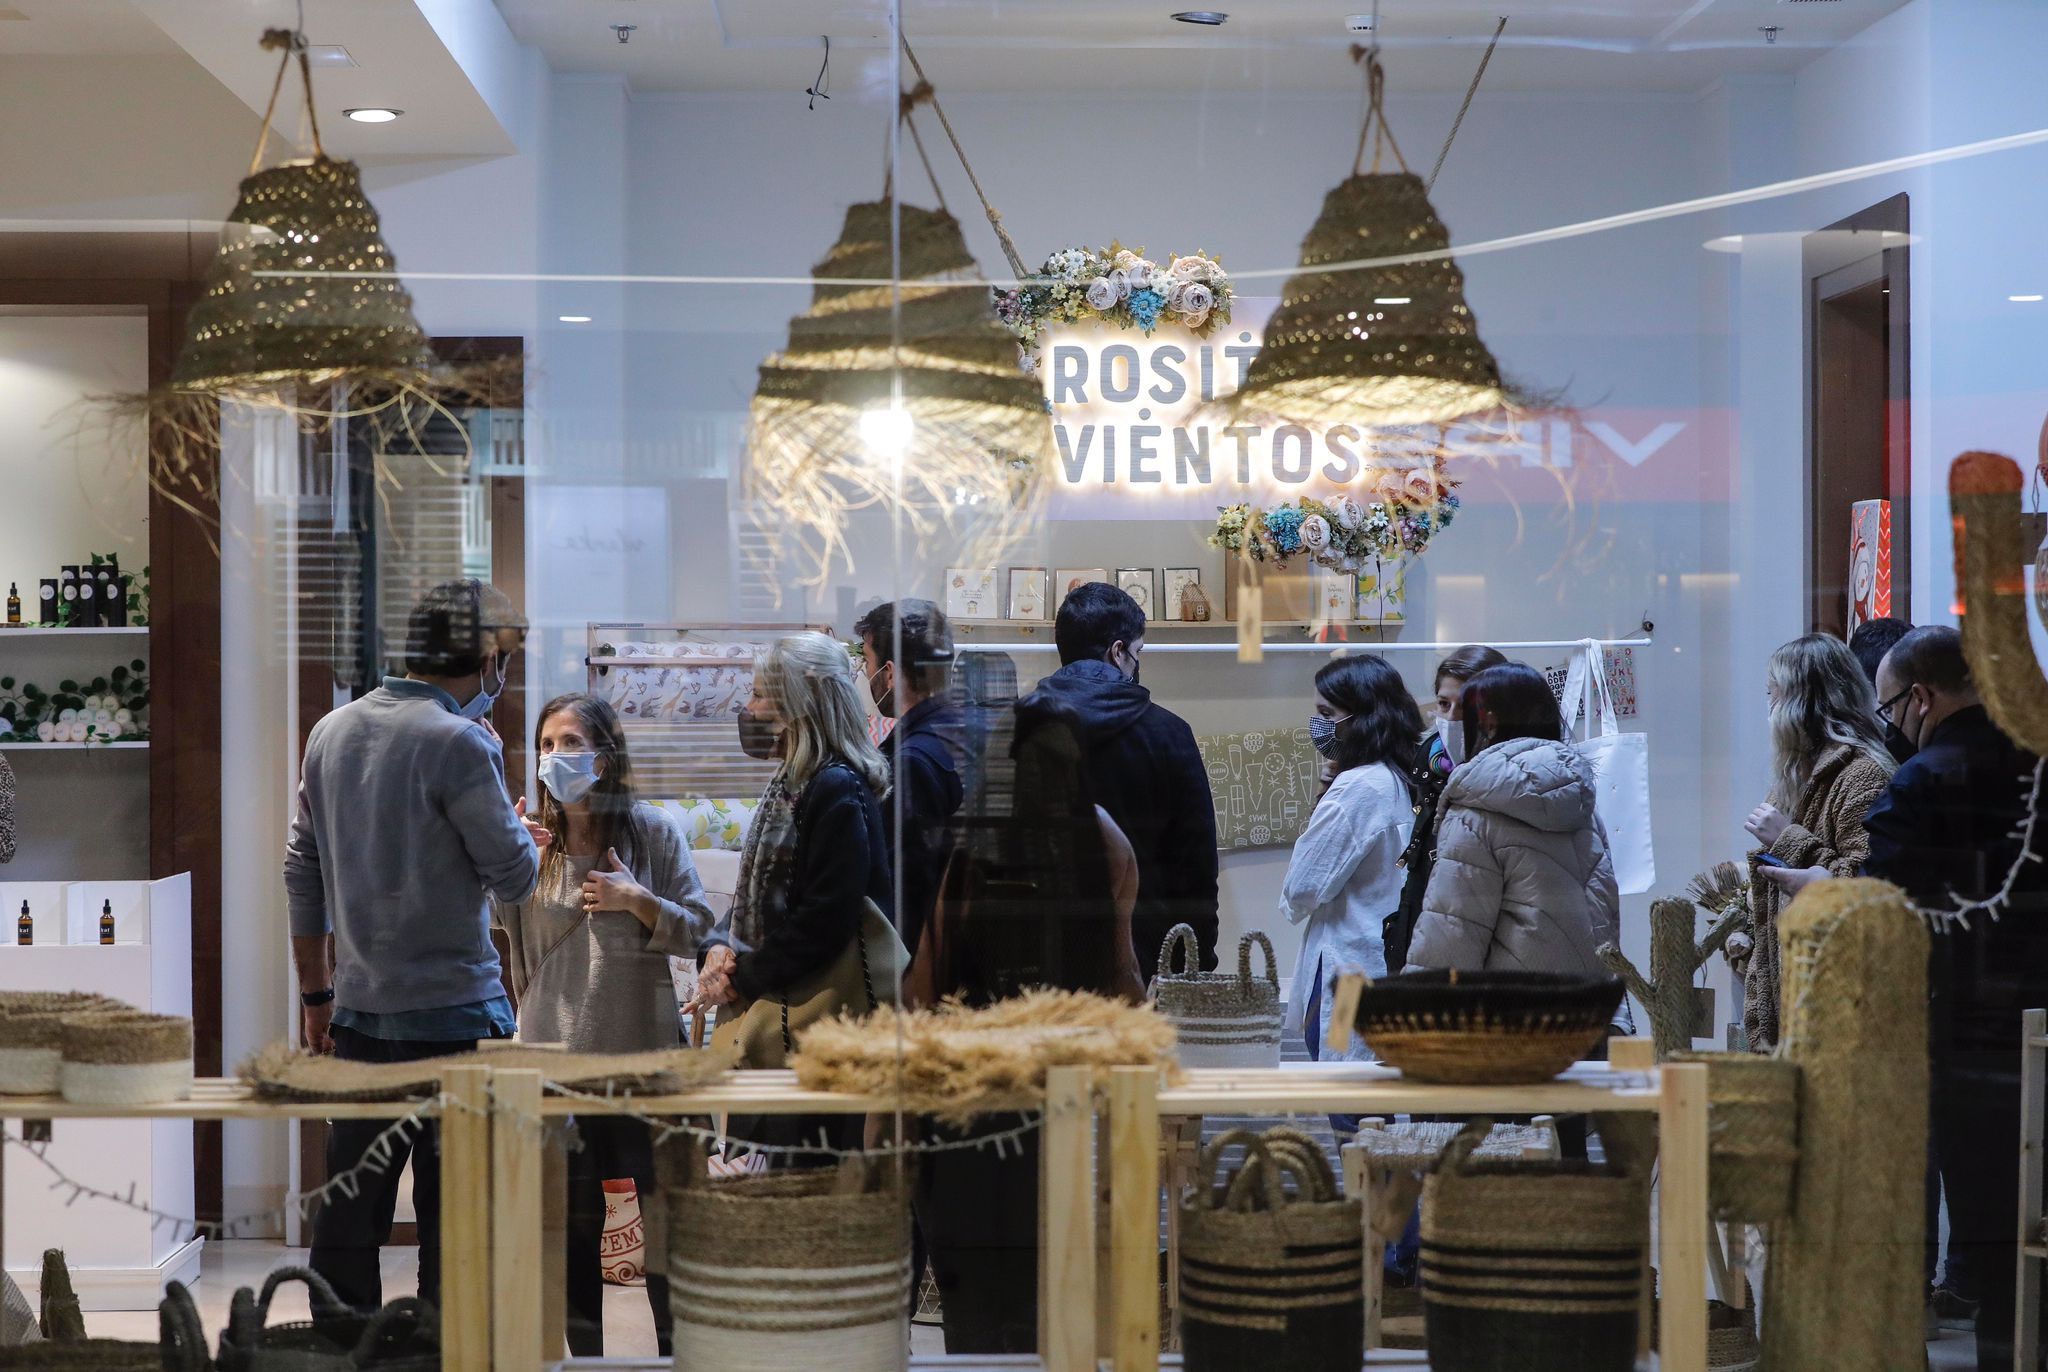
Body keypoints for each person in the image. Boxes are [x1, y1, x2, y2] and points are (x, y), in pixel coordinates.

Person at [1767, 625, 2047, 1369]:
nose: (1889, 726)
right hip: (2038, 1017)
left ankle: (2002, 1355)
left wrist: (1817, 888)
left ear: (1921, 696)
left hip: (1963, 1031)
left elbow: (1881, 913)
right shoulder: (2037, 765)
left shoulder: (1919, 783)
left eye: (1890, 709)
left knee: (1989, 1229)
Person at [283, 578, 539, 1311]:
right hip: (458, 1019)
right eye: (503, 658)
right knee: (454, 1225)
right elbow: (516, 877)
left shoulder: (332, 731)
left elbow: (302, 870)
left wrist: (316, 994)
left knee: (348, 1224)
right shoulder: (460, 741)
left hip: (361, 1017)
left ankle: (342, 1356)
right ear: (486, 656)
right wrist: (506, 804)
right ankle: (438, 1356)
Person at [908, 699, 1143, 1354]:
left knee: (976, 1314)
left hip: (970, 1099)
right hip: (1061, 1103)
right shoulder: (1104, 843)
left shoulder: (973, 845)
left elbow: (922, 986)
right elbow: (1123, 982)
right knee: (1055, 1312)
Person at [492, 693, 713, 1358]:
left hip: (643, 1058)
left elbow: (699, 928)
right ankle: (583, 1361)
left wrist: (637, 900)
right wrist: (505, 863)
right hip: (556, 1064)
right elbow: (496, 935)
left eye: (570, 742)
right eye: (548, 744)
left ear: (606, 755)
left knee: (667, 1226)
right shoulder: (530, 843)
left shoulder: (650, 833)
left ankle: (677, 1355)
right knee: (573, 1226)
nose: (556, 757)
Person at [688, 632, 895, 1155]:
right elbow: (755, 891)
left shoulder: (834, 786)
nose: (749, 708)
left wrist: (740, 975)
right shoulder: (796, 781)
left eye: (760, 694)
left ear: (801, 703)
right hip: (787, 1014)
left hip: (815, 1026)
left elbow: (824, 918)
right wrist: (717, 947)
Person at [1022, 581, 1220, 972]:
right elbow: (1195, 863)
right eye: (1138, 651)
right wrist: (1197, 958)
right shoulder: (1168, 733)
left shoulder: (1016, 728)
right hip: (1146, 951)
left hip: (1038, 948)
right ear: (1118, 651)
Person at [1406, 662, 1619, 978]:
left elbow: (1452, 934)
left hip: (1505, 1014)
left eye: (1465, 713)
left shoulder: (1475, 813)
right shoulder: (1581, 808)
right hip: (1584, 1010)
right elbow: (1605, 919)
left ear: (1488, 721)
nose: (1453, 721)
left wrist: (1419, 1018)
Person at [1733, 634, 1894, 1053]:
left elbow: (1870, 884)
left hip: (1841, 1005)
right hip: (1792, 1003)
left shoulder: (1862, 775)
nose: (1768, 709)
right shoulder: (1789, 782)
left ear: (1800, 701)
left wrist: (1789, 840)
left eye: (1773, 694)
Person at [1280, 655, 1421, 1068]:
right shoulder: (1400, 776)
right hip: (1383, 965)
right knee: (1369, 1084)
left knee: (1346, 1086)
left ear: (1363, 717)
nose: (1318, 725)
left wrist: (1327, 797)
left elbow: (1302, 887)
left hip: (1349, 974)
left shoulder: (1357, 789)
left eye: (1327, 713)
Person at [854, 599, 964, 965]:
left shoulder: (909, 763)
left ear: (887, 674)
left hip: (925, 970)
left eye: (866, 662)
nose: (863, 673)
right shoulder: (978, 733)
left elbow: (901, 896)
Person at [1426, 644, 1508, 778]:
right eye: (1444, 703)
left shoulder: (1517, 774)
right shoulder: (1427, 758)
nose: (1451, 717)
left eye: (1466, 706)